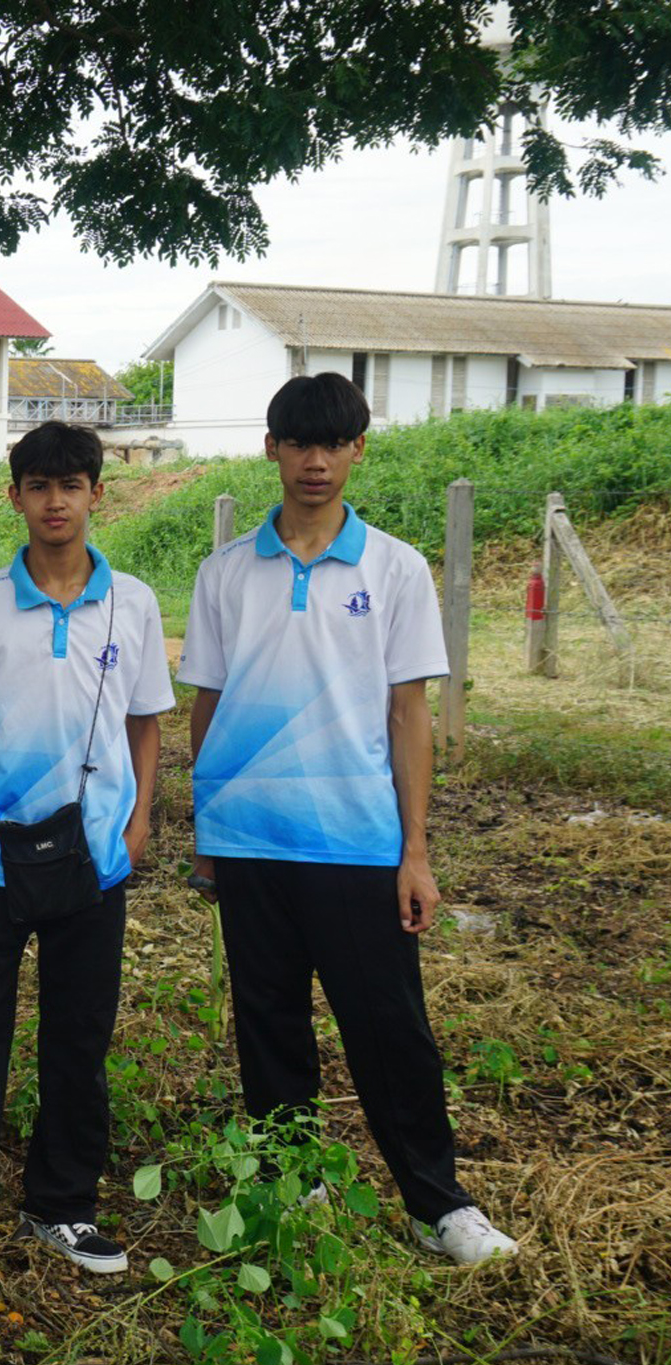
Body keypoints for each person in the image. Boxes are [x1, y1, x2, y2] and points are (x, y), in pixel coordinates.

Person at [180, 373, 517, 1266]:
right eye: (299, 442)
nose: (316, 460)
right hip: (250, 841)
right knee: (268, 1021)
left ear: (360, 449)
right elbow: (205, 710)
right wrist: (207, 831)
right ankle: (295, 1183)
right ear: (272, 449)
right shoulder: (226, 573)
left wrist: (416, 850)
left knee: (391, 1027)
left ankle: (438, 1203)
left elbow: (410, 715)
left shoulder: (396, 568)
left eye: (334, 443)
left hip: (356, 840)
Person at [0, 421, 172, 1273]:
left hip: (94, 858)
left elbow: (146, 722)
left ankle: (63, 1202)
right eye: (39, 485)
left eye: (72, 484)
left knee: (78, 1034)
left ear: (96, 493)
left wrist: (141, 816)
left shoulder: (136, 603)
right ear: (15, 496)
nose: (56, 501)